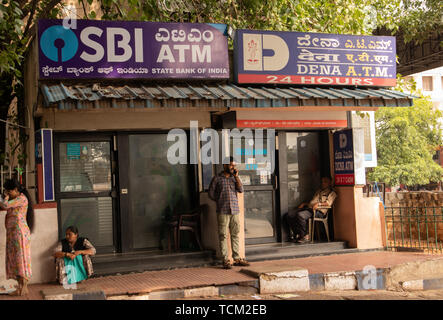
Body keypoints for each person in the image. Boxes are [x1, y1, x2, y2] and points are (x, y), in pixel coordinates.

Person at [208, 157, 250, 269]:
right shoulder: (217, 178)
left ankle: (237, 258)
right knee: (223, 235)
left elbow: (241, 189)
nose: (233, 167)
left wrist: (236, 177)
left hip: (235, 211)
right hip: (223, 211)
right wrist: (220, 200)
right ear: (225, 165)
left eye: (234, 165)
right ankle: (225, 260)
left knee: (235, 234)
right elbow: (211, 193)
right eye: (231, 165)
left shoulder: (234, 178)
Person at [0, 179, 34, 296]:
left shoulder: (21, 199)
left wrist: (4, 197)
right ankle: (19, 287)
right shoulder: (15, 199)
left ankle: (23, 287)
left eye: (9, 192)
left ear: (16, 190)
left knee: (21, 260)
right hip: (13, 233)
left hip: (19, 233)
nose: (7, 194)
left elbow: (4, 205)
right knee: (15, 260)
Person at [285, 176, 337, 243]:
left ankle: (305, 235)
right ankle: (297, 234)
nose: (323, 183)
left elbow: (328, 203)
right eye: (322, 182)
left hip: (318, 211)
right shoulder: (319, 191)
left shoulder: (332, 193)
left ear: (330, 183)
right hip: (309, 208)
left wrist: (319, 204)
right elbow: (312, 202)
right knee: (289, 215)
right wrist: (304, 204)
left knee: (300, 215)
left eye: (325, 182)